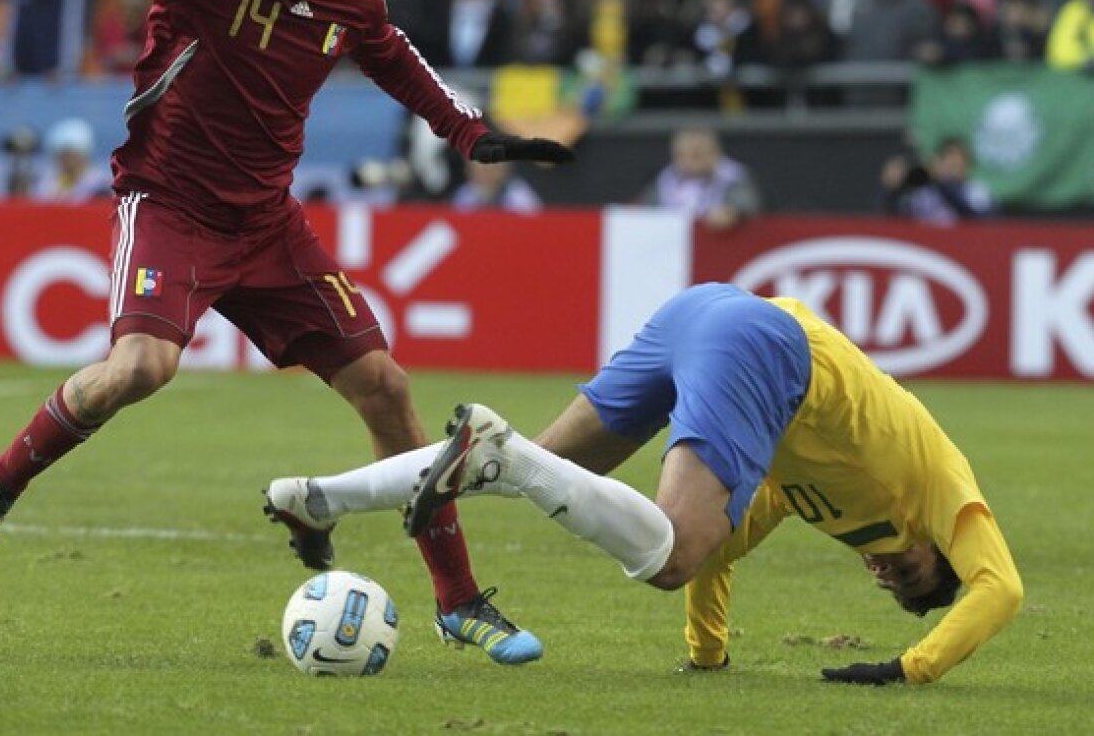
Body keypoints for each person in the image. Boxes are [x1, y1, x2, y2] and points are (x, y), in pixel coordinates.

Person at [0, 0, 576, 666]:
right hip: (169, 204)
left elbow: (394, 56)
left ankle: (458, 600)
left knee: (387, 390)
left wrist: (471, 135)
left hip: (269, 225)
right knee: (140, 369)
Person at [267, 283, 1023, 684]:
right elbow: (1002, 590)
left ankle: (318, 496)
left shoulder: (820, 501)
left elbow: (720, 550)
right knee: (665, 556)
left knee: (562, 471)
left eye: (890, 590)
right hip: (767, 349)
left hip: (706, 310)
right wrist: (909, 666)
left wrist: (707, 656)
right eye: (913, 574)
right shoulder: (940, 486)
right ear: (936, 546)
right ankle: (508, 455)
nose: (889, 575)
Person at [640, 127, 761, 229]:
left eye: (696, 155)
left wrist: (732, 211)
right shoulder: (664, 180)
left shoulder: (732, 176)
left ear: (714, 153)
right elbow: (645, 212)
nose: (688, 162)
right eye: (681, 155)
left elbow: (748, 203)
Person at [880, 137, 997, 223]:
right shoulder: (924, 190)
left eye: (958, 162)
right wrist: (893, 190)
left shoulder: (975, 191)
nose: (952, 166)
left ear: (967, 166)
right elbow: (896, 216)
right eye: (948, 159)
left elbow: (978, 221)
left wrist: (942, 183)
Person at [33, 118, 113, 202]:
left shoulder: (101, 185)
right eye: (62, 154)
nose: (67, 159)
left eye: (71, 154)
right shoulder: (46, 183)